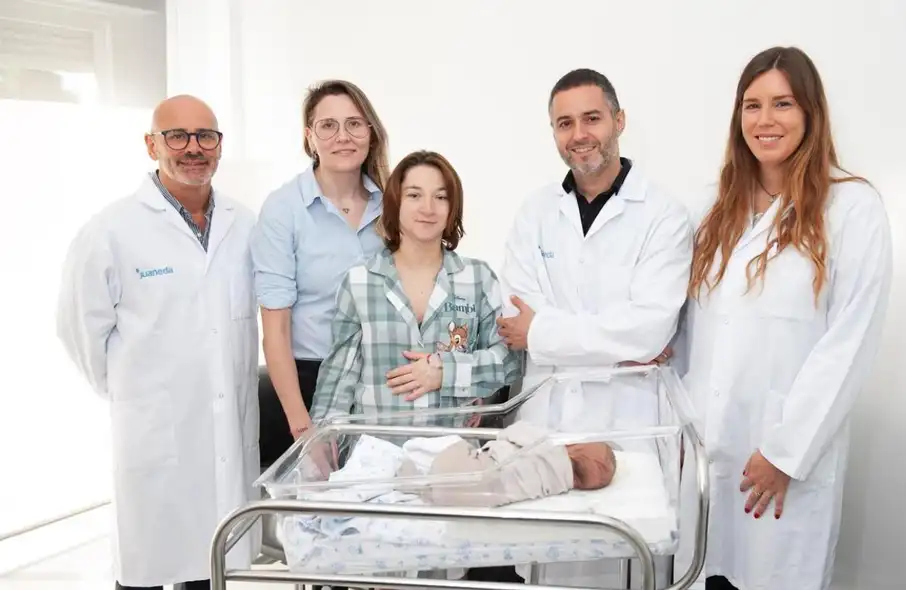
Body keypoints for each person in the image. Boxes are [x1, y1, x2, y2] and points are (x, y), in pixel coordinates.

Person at [678, 46, 893, 590]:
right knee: (703, 573)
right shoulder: (711, 208)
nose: (765, 120)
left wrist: (785, 452)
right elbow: (687, 327)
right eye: (752, 105)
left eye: (783, 104)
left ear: (810, 113)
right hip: (705, 447)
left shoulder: (852, 208)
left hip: (783, 455)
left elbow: (849, 344)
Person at [496, 68, 693, 587]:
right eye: (565, 123)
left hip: (628, 421)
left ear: (618, 121)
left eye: (592, 118)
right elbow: (517, 316)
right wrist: (614, 342)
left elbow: (648, 329)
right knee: (548, 565)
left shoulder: (664, 215)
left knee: (626, 561)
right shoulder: (535, 212)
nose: (579, 134)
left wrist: (544, 334)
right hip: (549, 416)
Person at [55, 95, 260, 590]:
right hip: (153, 431)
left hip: (225, 431)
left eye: (205, 136)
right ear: (152, 145)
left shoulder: (245, 223)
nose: (193, 148)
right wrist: (136, 392)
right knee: (146, 566)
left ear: (219, 146)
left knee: (210, 568)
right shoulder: (111, 230)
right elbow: (78, 328)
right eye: (177, 136)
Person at [309, 150, 522, 432]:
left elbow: (509, 361)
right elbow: (338, 378)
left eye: (441, 197)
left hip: (453, 450)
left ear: (453, 207)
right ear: (395, 202)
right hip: (376, 450)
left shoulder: (477, 278)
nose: (428, 208)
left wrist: (446, 372)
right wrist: (322, 441)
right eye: (414, 195)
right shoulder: (360, 281)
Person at [251, 80, 389, 466]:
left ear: (371, 133)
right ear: (309, 137)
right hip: (312, 383)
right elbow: (275, 332)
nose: (343, 136)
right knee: (320, 500)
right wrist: (303, 429)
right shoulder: (284, 209)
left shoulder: (392, 203)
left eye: (354, 124)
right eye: (328, 125)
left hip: (385, 381)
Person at [399, 421, 617, 507]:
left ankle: (414, 478)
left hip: (473, 472)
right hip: (482, 499)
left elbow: (515, 431)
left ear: (575, 446)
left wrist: (503, 439)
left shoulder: (548, 446)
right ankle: (425, 490)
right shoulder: (557, 485)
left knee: (458, 443)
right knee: (446, 489)